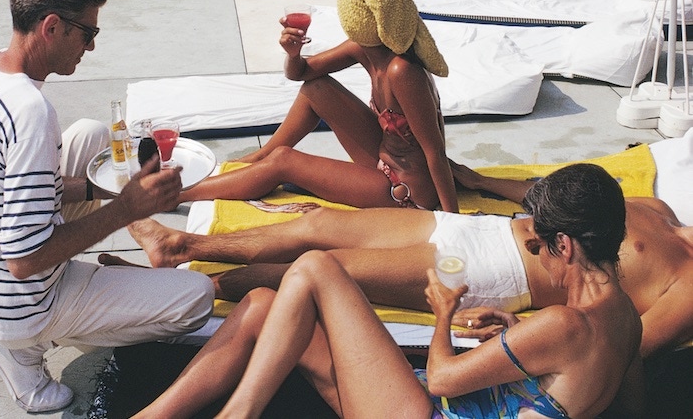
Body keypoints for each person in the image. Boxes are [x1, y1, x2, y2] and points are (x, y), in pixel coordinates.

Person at [129, 164, 644, 419]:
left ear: (565, 245)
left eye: (538, 247)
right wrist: (513, 341)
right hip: (425, 405)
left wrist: (443, 313)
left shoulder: (565, 325)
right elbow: (632, 406)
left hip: (425, 410)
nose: (536, 256)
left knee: (314, 269)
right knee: (265, 305)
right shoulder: (624, 318)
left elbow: (442, 378)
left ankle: (237, 415)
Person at [0, 0, 214, 414]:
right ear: (51, 27)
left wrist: (101, 191)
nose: (90, 47)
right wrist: (124, 209)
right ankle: (23, 349)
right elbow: (24, 260)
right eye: (87, 33)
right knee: (197, 299)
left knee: (88, 133)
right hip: (18, 301)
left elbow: (8, 191)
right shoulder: (29, 111)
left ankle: (24, 327)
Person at [173, 0, 458, 212]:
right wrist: (293, 54)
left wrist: (452, 220)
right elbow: (302, 75)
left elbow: (434, 151)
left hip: (407, 190)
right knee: (317, 89)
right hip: (385, 159)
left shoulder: (403, 71)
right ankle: (261, 156)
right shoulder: (364, 49)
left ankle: (177, 196)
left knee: (284, 162)